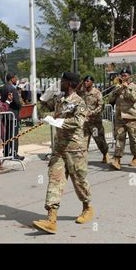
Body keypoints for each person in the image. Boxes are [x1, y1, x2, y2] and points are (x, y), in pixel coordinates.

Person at [33, 72, 92, 234]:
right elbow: (51, 110)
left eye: (63, 81)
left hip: (75, 148)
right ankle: (51, 219)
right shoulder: (60, 99)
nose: (60, 82)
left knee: (79, 181)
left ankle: (87, 207)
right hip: (59, 148)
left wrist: (58, 121)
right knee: (55, 179)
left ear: (71, 83)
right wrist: (49, 116)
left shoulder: (79, 102)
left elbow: (78, 121)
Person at [108, 68, 136, 170]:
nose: (123, 76)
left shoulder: (135, 87)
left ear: (129, 76)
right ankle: (117, 160)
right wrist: (118, 89)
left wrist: (127, 88)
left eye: (125, 75)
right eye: (121, 75)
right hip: (119, 117)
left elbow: (135, 98)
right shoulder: (118, 87)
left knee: (134, 139)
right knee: (119, 138)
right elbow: (110, 99)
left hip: (131, 117)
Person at [78, 75, 110, 164]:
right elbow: (75, 92)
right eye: (84, 81)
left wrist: (92, 112)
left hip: (95, 123)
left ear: (92, 82)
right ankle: (82, 160)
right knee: (83, 142)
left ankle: (105, 154)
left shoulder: (97, 93)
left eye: (87, 81)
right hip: (85, 123)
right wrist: (81, 82)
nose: (85, 83)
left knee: (99, 141)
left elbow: (101, 106)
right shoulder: (82, 92)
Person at [0, 73, 24, 160]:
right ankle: (14, 153)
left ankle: (6, 153)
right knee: (14, 135)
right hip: (13, 114)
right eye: (16, 78)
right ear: (12, 79)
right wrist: (21, 105)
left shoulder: (2, 88)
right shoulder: (13, 89)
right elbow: (17, 103)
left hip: (5, 114)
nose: (16, 80)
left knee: (6, 135)